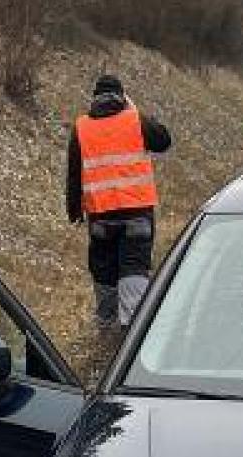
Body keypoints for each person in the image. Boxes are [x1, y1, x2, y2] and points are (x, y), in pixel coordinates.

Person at [66, 75, 171, 328]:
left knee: (103, 265)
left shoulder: (82, 127)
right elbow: (163, 141)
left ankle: (105, 322)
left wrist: (74, 208)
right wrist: (135, 110)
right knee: (134, 265)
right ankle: (132, 326)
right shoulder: (135, 118)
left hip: (100, 212)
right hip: (137, 210)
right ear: (123, 97)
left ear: (94, 98)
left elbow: (74, 171)